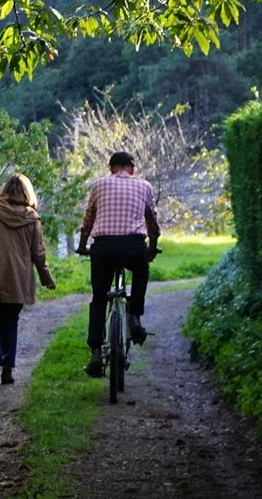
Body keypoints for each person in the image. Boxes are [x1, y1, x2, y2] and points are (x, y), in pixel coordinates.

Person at [75, 150, 160, 377]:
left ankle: (95, 351)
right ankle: (134, 315)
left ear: (110, 168)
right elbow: (152, 222)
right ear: (132, 169)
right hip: (134, 246)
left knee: (99, 299)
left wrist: (83, 245)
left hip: (104, 248)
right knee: (141, 273)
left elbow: (88, 219)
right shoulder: (144, 186)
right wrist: (151, 248)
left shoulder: (99, 185)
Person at [0, 173, 55, 385]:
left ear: (5, 188)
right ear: (28, 192)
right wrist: (46, 278)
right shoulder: (32, 217)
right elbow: (38, 253)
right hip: (19, 278)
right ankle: (7, 371)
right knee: (10, 321)